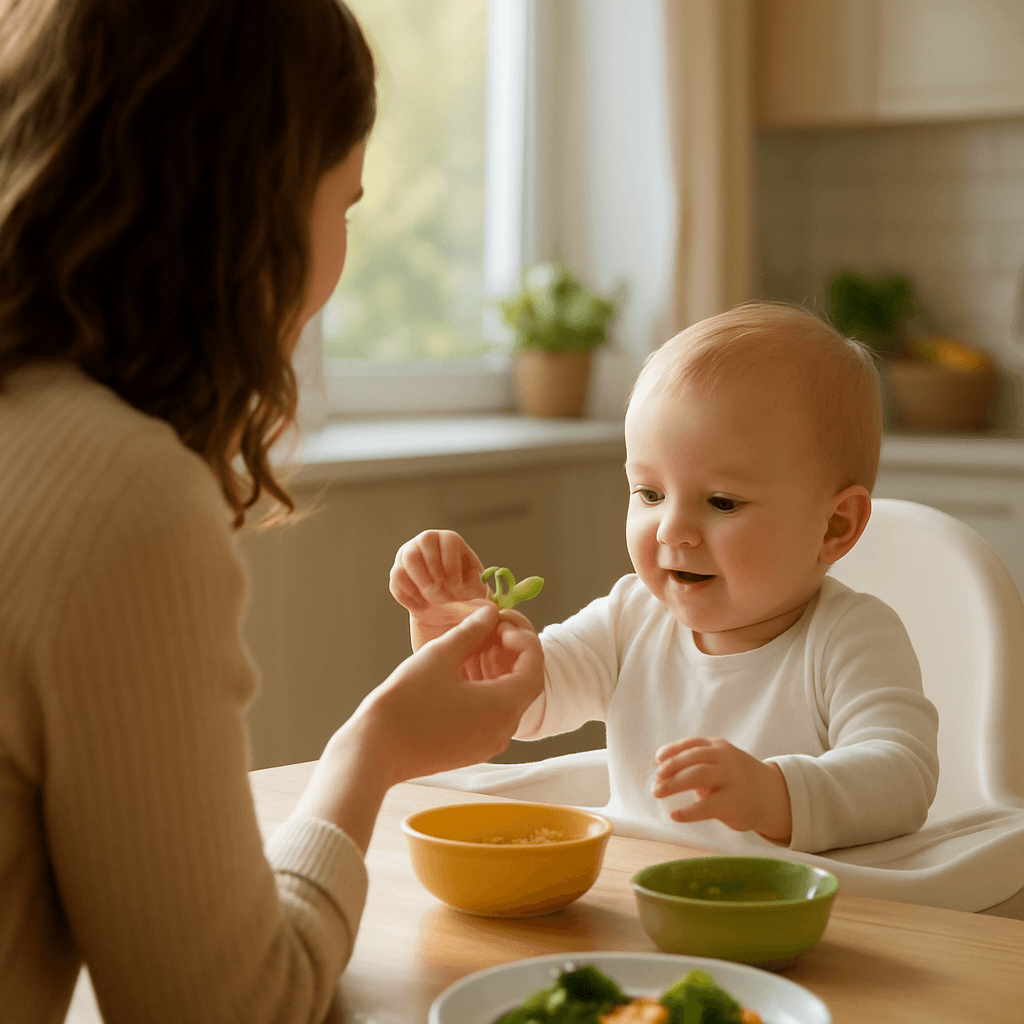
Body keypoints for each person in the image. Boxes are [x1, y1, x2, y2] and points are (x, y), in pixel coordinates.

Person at [0, 2, 541, 1022]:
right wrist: (373, 751)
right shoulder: (117, 497)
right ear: (252, 208)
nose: (332, 270)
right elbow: (229, 1008)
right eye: (344, 206)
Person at [390, 302, 940, 855]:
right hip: (638, 884)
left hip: (789, 900)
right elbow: (520, 701)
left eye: (722, 502)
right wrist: (460, 637)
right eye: (650, 493)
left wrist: (775, 794)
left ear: (835, 526)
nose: (671, 529)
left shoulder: (851, 638)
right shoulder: (630, 617)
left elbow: (902, 777)